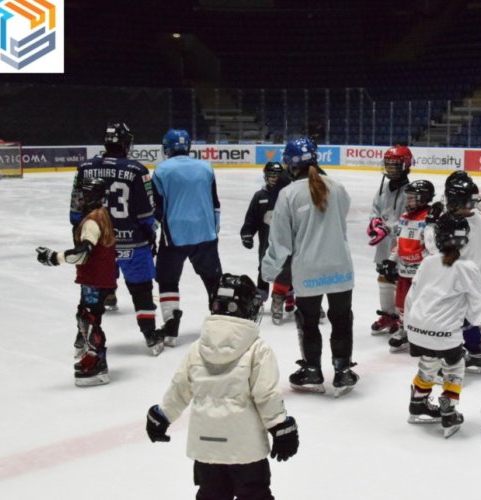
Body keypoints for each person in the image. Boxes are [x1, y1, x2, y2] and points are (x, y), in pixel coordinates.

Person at [145, 273, 299, 500]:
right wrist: (280, 427)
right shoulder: (257, 349)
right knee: (254, 493)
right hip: (245, 449)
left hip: (206, 447)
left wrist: (163, 415)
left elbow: (180, 386)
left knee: (211, 494)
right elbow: (266, 395)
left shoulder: (198, 347)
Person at [261, 136, 358, 398]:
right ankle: (343, 370)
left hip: (308, 270)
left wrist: (268, 272)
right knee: (341, 320)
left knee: (309, 322)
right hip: (341, 267)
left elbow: (280, 241)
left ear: (290, 164)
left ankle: (313, 370)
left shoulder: (288, 193)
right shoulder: (337, 187)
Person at [70, 123, 163, 356]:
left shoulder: (84, 169)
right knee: (142, 290)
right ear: (125, 143)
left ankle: (83, 337)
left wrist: (85, 236)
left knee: (93, 292)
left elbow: (74, 213)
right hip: (133, 243)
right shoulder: (137, 170)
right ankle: (151, 336)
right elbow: (146, 214)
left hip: (99, 244)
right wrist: (150, 234)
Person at [404, 213, 481, 438]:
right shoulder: (467, 267)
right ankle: (448, 408)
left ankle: (418, 403)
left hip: (417, 329)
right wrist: (473, 323)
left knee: (428, 361)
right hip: (445, 334)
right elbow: (478, 301)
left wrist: (409, 325)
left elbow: (412, 296)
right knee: (454, 366)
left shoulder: (428, 262)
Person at [38, 178, 116, 386]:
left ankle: (97, 360)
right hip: (100, 276)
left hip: (95, 278)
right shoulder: (101, 214)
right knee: (88, 316)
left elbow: (83, 254)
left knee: (89, 318)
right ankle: (94, 355)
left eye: (84, 195)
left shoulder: (92, 220)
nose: (79, 199)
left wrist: (54, 257)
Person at [153, 128, 223, 346]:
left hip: (174, 237)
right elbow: (215, 204)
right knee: (213, 281)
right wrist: (213, 230)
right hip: (205, 235)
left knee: (168, 280)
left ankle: (171, 326)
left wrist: (149, 235)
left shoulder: (161, 171)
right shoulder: (206, 167)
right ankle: (221, 325)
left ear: (167, 147)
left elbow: (157, 209)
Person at [436, 171, 481, 374]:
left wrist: (434, 225)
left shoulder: (460, 225)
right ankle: (476, 353)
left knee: (455, 322)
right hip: (474, 279)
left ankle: (452, 361)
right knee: (469, 321)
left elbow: (440, 251)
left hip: (458, 280)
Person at [381, 179, 435, 353]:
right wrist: (391, 260)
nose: (408, 201)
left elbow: (431, 248)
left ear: (424, 198)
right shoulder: (404, 218)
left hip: (421, 273)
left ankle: (424, 331)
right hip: (404, 271)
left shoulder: (429, 219)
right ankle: (404, 329)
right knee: (402, 302)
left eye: (413, 198)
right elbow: (399, 243)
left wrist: (426, 267)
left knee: (422, 304)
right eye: (408, 197)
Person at [240, 161, 295, 324]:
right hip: (266, 241)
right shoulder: (259, 197)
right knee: (264, 267)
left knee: (288, 268)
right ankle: (260, 298)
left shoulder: (288, 195)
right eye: (270, 176)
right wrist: (247, 233)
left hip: (287, 241)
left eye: (277, 176)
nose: (273, 179)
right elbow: (251, 219)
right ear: (265, 177)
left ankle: (289, 296)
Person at [368, 146, 412, 336]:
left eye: (395, 165)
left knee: (398, 279)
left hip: (400, 246)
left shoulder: (410, 191)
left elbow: (408, 219)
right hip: (383, 245)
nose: (390, 169)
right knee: (383, 276)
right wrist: (374, 222)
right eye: (388, 165)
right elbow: (375, 208)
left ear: (405, 165)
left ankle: (399, 317)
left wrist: (388, 228)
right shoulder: (383, 188)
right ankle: (387, 314)